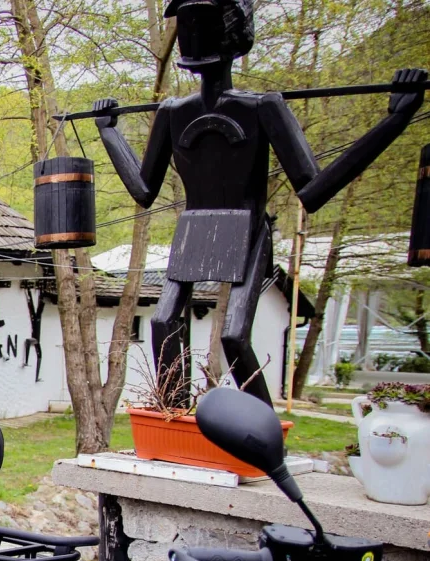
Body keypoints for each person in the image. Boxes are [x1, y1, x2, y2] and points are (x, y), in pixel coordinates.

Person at [93, 0, 425, 405]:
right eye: (189, 22)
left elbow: (313, 188)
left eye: (204, 21)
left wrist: (394, 121)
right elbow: (144, 190)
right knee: (163, 323)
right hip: (195, 228)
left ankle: (261, 429)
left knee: (234, 334)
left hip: (247, 228)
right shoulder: (172, 112)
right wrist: (109, 132)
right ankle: (174, 418)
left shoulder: (261, 107)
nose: (194, 31)